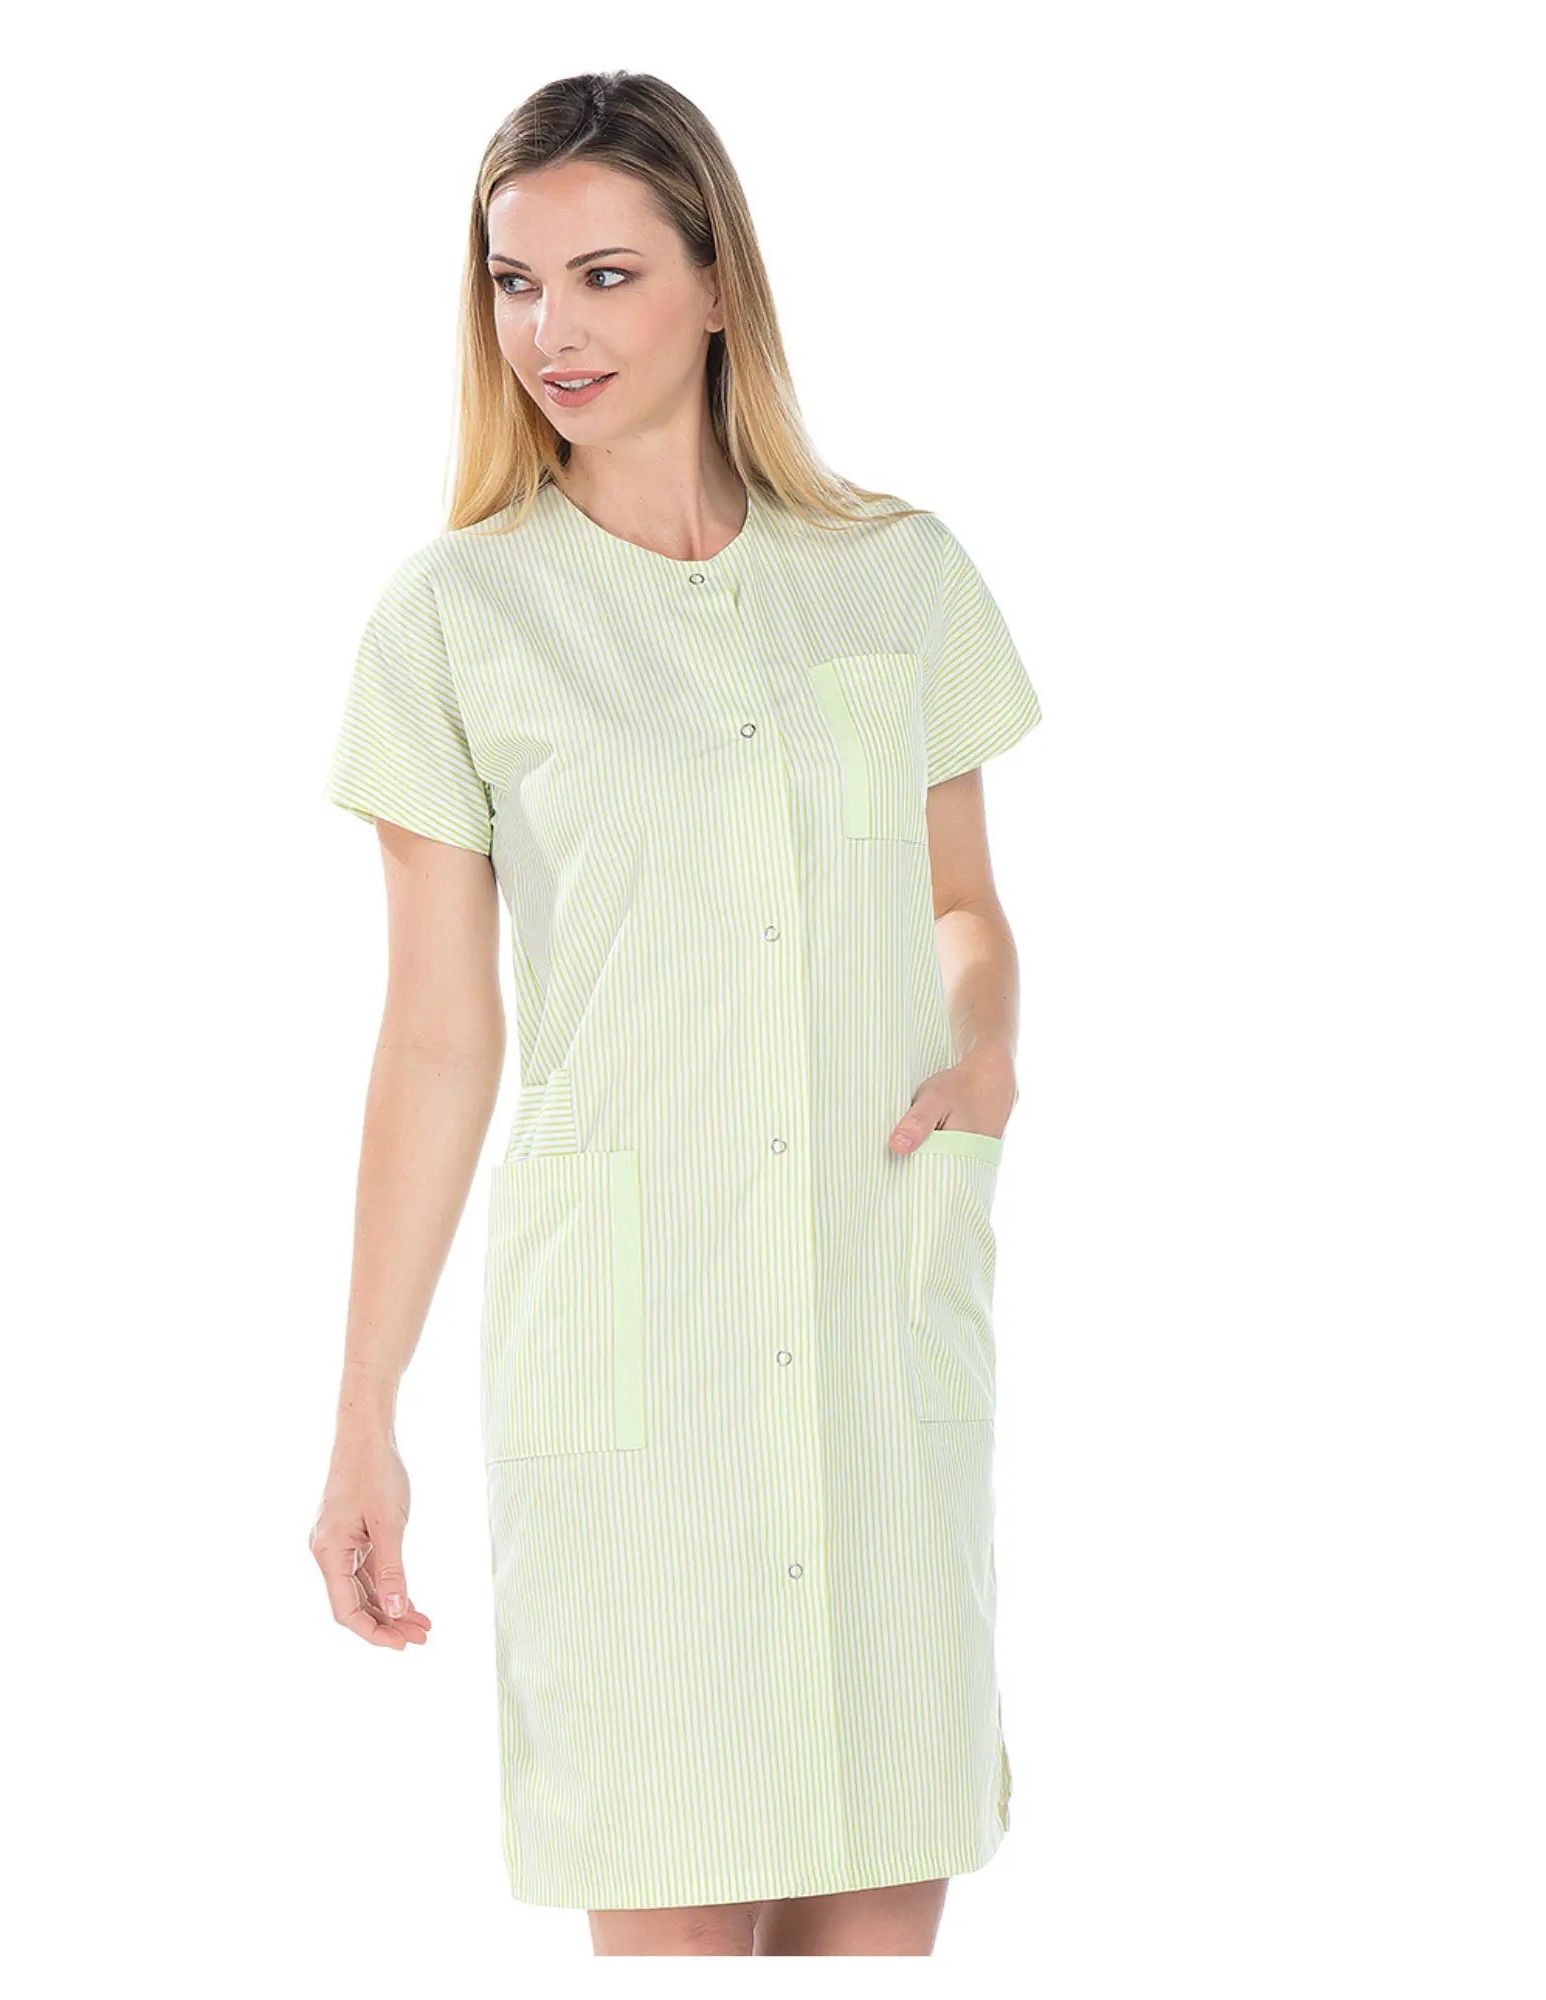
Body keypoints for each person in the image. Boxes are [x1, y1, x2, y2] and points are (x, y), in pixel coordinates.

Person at [308, 70, 1044, 1958]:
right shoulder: (456, 621)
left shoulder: (896, 578)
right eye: (514, 281)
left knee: (878, 1909)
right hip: (632, 1362)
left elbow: (962, 906)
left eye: (607, 275)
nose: (551, 329)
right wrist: (364, 1410)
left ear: (720, 284)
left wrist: (982, 1050)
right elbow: (437, 1035)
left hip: (877, 1327)